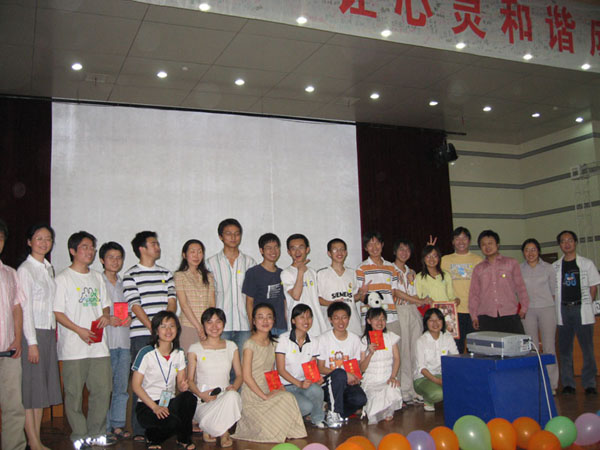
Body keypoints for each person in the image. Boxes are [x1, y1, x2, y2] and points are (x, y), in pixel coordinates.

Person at [53, 231, 115, 448]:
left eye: (92, 247)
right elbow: (57, 312)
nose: (90, 251)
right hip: (73, 347)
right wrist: (78, 330)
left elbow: (105, 304)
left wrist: (105, 315)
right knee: (74, 395)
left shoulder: (97, 277)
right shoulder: (62, 278)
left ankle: (97, 433)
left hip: (99, 346)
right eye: (85, 247)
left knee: (103, 391)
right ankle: (79, 435)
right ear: (73, 251)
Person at [123, 231, 177, 441]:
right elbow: (135, 305)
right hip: (141, 336)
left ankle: (160, 427)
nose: (158, 247)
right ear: (142, 248)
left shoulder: (166, 273)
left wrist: (166, 327)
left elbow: (171, 301)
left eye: (157, 243)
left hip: (166, 336)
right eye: (153, 244)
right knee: (141, 382)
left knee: (165, 381)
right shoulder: (131, 275)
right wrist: (154, 328)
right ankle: (138, 429)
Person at [231, 303, 307, 443]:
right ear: (254, 321)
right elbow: (246, 377)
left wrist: (278, 388)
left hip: (267, 388)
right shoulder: (249, 344)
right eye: (260, 317)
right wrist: (264, 396)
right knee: (273, 423)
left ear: (274, 320)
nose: (265, 321)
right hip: (253, 395)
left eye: (269, 317)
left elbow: (272, 371)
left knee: (287, 397)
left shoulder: (273, 343)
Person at [17, 224, 62, 450]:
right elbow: (25, 309)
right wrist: (32, 343)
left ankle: (36, 439)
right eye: (39, 238)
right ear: (29, 241)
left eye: (48, 239)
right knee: (30, 390)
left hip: (48, 333)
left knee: (40, 390)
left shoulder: (48, 268)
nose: (44, 243)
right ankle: (33, 441)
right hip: (32, 335)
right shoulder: (26, 270)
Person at [131, 311, 197, 450]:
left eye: (172, 326)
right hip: (148, 405)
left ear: (177, 329)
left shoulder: (179, 353)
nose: (168, 330)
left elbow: (180, 382)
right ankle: (154, 437)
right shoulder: (146, 353)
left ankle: (182, 439)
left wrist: (183, 386)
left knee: (189, 398)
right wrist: (155, 407)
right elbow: (135, 386)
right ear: (156, 330)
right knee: (174, 422)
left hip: (168, 402)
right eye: (163, 326)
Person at [553, 230, 600, 395]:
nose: (567, 244)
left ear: (575, 242)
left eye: (570, 240)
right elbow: (553, 290)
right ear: (560, 245)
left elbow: (593, 287)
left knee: (587, 349)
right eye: (563, 241)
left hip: (581, 309)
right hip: (563, 310)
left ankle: (589, 384)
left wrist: (586, 304)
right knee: (565, 349)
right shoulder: (555, 266)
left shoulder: (587, 264)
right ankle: (568, 384)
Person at [187, 308, 242, 447]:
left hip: (224, 397)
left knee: (233, 396)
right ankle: (223, 432)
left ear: (223, 324)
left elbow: (240, 375)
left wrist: (234, 387)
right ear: (203, 325)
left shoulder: (231, 346)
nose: (214, 326)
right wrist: (200, 395)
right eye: (209, 322)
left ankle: (214, 430)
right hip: (203, 400)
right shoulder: (195, 348)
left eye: (218, 322)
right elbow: (190, 381)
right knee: (209, 412)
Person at [206, 219, 256, 358]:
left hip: (245, 324)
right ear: (220, 236)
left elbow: (253, 296)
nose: (233, 237)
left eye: (237, 233)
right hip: (220, 326)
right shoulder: (210, 263)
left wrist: (253, 324)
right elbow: (209, 296)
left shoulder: (250, 263)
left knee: (243, 364)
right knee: (221, 364)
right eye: (228, 233)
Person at [0, 219, 29, 450]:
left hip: (9, 350)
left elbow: (17, 307)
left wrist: (18, 339)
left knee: (13, 406)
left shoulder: (10, 273)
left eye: (0, 238)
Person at [99, 241, 131, 440]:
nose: (115, 261)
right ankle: (104, 427)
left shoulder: (124, 283)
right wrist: (106, 317)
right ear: (102, 260)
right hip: (105, 343)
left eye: (119, 257)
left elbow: (132, 307)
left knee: (121, 387)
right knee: (104, 388)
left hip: (124, 342)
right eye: (111, 257)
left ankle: (118, 425)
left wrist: (130, 317)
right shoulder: (96, 282)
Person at [316, 302, 367, 429]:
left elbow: (356, 366)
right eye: (336, 318)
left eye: (344, 317)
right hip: (327, 384)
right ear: (330, 320)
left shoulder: (354, 339)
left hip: (347, 383)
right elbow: (320, 367)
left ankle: (334, 411)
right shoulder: (323, 339)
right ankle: (334, 413)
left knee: (361, 399)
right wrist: (345, 375)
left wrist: (354, 377)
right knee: (339, 374)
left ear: (349, 318)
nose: (341, 322)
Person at [469, 230, 529, 334]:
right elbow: (474, 294)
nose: (487, 247)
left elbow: (521, 287)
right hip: (486, 316)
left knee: (515, 343)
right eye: (483, 244)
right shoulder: (478, 269)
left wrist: (524, 308)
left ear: (497, 245)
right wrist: (474, 316)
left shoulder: (511, 263)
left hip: (510, 314)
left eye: (490, 243)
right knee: (489, 344)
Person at [275, 304, 325, 428]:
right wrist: (299, 383)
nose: (306, 321)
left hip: (303, 384)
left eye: (309, 317)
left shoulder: (314, 341)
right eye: (302, 317)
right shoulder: (283, 339)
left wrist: (315, 378)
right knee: (306, 406)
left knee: (317, 390)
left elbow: (311, 366)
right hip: (285, 386)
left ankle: (317, 419)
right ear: (293, 320)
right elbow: (280, 370)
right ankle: (283, 419)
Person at [519, 238, 558, 393]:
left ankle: (552, 384)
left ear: (539, 251)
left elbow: (554, 292)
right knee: (531, 348)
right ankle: (535, 382)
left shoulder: (548, 268)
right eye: (527, 250)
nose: (530, 253)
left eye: (533, 249)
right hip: (527, 311)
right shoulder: (519, 269)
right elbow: (517, 292)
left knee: (549, 347)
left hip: (547, 309)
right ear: (523, 253)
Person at [391, 238, 425, 405]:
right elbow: (396, 292)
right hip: (400, 311)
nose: (404, 253)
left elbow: (414, 293)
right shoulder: (390, 269)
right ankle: (404, 390)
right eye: (401, 249)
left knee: (415, 350)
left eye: (407, 250)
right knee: (403, 350)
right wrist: (417, 300)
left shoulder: (411, 272)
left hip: (413, 311)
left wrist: (423, 301)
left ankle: (414, 389)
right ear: (395, 251)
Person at [441, 227, 482, 353]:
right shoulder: (445, 260)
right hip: (452, 311)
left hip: (474, 311)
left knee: (474, 348)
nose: (461, 241)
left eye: (464, 238)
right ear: (453, 242)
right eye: (457, 238)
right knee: (454, 348)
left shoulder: (478, 260)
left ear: (469, 241)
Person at [359, 307, 402, 424]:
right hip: (371, 380)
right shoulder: (364, 341)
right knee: (374, 404)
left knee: (393, 388)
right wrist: (370, 353)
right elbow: (362, 368)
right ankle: (376, 411)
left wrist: (393, 376)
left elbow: (397, 359)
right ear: (369, 321)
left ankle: (388, 410)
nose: (380, 322)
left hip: (386, 377)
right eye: (376, 319)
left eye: (383, 319)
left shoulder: (390, 336)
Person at [355, 231, 400, 342]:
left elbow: (394, 292)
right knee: (375, 351)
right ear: (366, 248)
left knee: (394, 350)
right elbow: (359, 296)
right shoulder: (361, 268)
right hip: (371, 320)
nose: (374, 247)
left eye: (377, 243)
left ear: (382, 244)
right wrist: (362, 294)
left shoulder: (391, 267)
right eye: (370, 244)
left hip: (391, 318)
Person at [281, 234, 327, 336]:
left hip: (316, 324)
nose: (297, 252)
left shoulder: (312, 272)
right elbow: (296, 296)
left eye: (301, 247)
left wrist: (332, 303)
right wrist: (300, 272)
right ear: (289, 252)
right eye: (293, 248)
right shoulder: (286, 273)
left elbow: (316, 298)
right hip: (298, 325)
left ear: (307, 249)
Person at [242, 233, 288, 336]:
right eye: (269, 248)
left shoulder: (283, 273)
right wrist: (252, 326)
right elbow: (249, 302)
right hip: (263, 327)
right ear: (261, 250)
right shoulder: (253, 273)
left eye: (276, 247)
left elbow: (285, 302)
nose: (273, 251)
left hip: (281, 326)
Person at [413, 308, 458, 412]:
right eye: (431, 320)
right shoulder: (421, 341)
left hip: (443, 376)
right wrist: (438, 381)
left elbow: (456, 358)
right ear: (426, 322)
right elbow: (421, 368)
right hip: (423, 378)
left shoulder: (447, 337)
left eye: (438, 319)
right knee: (439, 394)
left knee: (461, 388)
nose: (435, 323)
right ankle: (427, 398)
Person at [175, 239, 215, 350]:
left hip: (207, 327)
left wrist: (208, 325)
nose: (196, 255)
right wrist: (199, 327)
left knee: (206, 358)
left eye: (199, 252)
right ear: (184, 255)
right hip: (188, 325)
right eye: (192, 252)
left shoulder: (208, 276)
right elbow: (184, 305)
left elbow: (212, 303)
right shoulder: (180, 276)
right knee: (189, 357)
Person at [317, 238, 361, 336]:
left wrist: (361, 293)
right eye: (335, 250)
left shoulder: (352, 273)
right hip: (331, 324)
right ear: (329, 253)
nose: (339, 252)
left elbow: (353, 297)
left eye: (342, 249)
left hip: (352, 323)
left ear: (346, 252)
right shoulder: (321, 274)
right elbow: (317, 298)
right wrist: (332, 303)